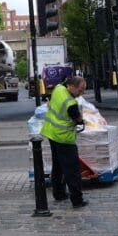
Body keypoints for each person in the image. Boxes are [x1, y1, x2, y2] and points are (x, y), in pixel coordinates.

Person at [41, 75, 89, 208]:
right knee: (72, 169)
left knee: (58, 166)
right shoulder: (71, 103)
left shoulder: (58, 89)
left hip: (52, 133)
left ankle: (59, 193)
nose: (82, 93)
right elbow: (78, 119)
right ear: (71, 87)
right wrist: (81, 120)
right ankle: (77, 199)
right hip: (64, 138)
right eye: (80, 90)